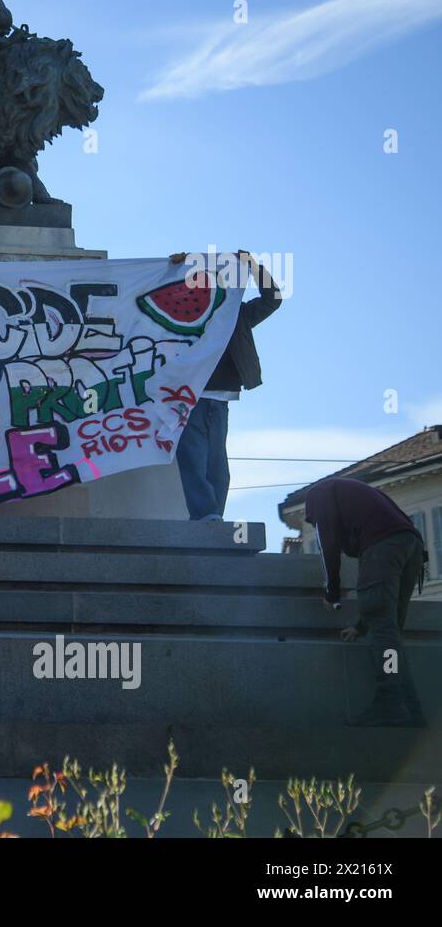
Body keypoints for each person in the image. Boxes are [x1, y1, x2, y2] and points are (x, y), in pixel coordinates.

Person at [169, 250, 283, 521]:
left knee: (216, 463)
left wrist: (254, 267)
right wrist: (172, 271)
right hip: (189, 395)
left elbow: (273, 299)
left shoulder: (238, 313)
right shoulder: (181, 312)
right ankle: (205, 515)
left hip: (220, 397)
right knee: (194, 457)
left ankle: (213, 516)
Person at [305, 477, 428, 727]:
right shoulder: (354, 499)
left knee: (384, 631)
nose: (315, 524)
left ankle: (390, 702)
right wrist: (362, 626)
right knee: (389, 629)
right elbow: (381, 605)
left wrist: (332, 593)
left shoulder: (319, 495)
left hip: (385, 547)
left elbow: (328, 546)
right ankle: (410, 708)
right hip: (412, 545)